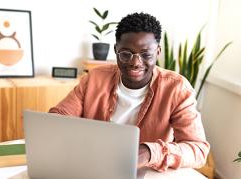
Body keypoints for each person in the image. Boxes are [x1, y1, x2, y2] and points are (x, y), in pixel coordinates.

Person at [49, 12, 210, 172]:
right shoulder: (95, 78)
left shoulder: (176, 88)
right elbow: (60, 117)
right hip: (92, 166)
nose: (135, 63)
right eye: (126, 54)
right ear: (116, 50)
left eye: (146, 54)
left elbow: (198, 149)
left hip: (143, 172)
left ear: (158, 52)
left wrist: (149, 153)